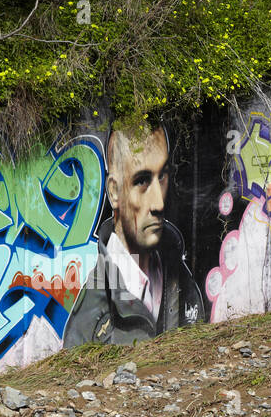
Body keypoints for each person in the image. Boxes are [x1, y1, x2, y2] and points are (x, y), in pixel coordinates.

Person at [63, 124, 205, 347]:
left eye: (162, 177)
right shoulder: (90, 315)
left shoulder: (181, 278)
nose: (158, 203)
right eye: (142, 181)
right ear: (114, 192)